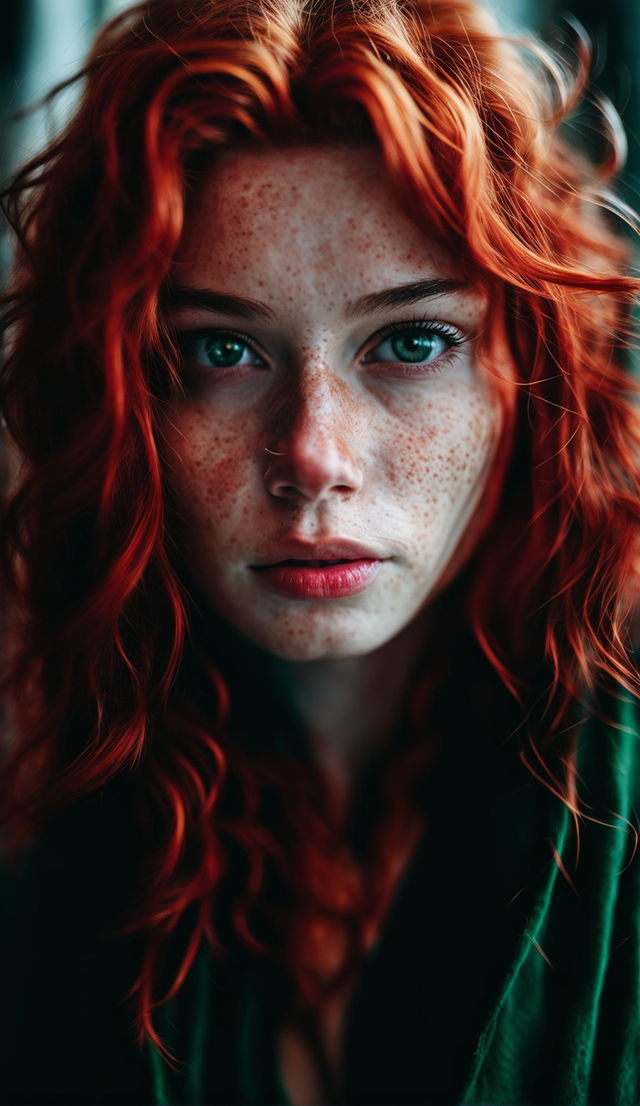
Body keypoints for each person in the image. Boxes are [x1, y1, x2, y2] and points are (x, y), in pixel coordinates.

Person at [1, 0, 639, 1103]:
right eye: (221, 349)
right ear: (116, 394)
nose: (313, 456)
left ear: (530, 377)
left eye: (410, 341)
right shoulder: (44, 801)